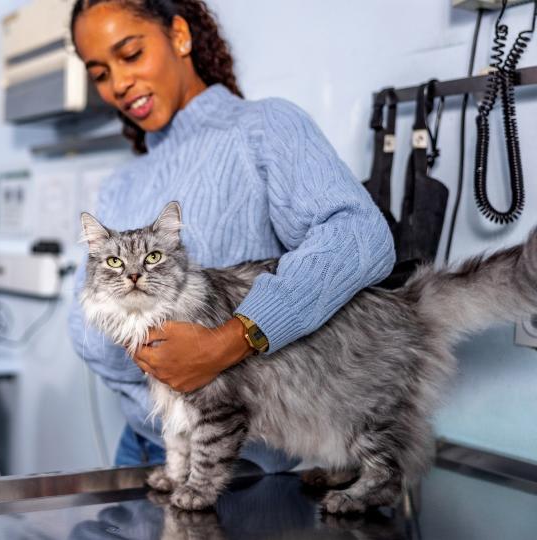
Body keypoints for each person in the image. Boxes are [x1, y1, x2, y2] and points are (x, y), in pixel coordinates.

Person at [67, 0, 394, 472]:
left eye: (131, 54)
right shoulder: (121, 183)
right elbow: (90, 328)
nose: (118, 84)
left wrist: (227, 343)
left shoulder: (264, 129)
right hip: (140, 447)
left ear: (180, 36)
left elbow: (359, 238)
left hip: (241, 460)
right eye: (100, 73)